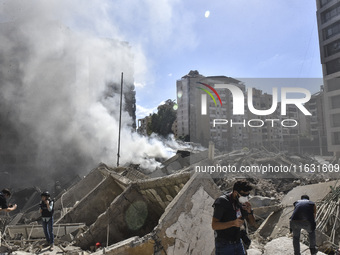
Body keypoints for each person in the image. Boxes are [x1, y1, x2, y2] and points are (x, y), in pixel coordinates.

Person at [212, 180, 256, 255]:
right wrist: (233, 223)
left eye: (247, 195)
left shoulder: (242, 203)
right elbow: (214, 225)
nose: (245, 198)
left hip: (238, 242)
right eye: (244, 195)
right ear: (235, 192)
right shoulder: (222, 202)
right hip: (224, 245)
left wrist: (249, 212)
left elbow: (252, 223)